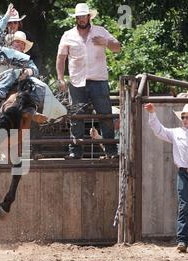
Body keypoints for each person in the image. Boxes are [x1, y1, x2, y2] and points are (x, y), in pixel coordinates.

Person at [56, 3, 121, 159]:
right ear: (76, 18)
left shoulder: (100, 31)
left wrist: (106, 42)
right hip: (77, 81)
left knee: (105, 115)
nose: (82, 19)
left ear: (89, 17)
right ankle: (76, 151)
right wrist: (60, 78)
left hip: (98, 80)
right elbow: (61, 57)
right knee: (76, 117)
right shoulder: (68, 35)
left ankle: (111, 151)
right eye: (79, 17)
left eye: (84, 16)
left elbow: (117, 47)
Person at [144, 102, 188, 253]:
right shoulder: (176, 132)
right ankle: (182, 240)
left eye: (187, 117)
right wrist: (152, 113)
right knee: (184, 206)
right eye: (182, 117)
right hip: (183, 173)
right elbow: (159, 131)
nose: (184, 119)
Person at [0, 3, 39, 110]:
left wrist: (29, 72)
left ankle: (36, 108)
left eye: (15, 22)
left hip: (24, 80)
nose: (12, 25)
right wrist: (6, 16)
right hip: (2, 75)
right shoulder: (2, 45)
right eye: (10, 22)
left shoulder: (28, 40)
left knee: (38, 86)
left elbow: (35, 61)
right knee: (13, 73)